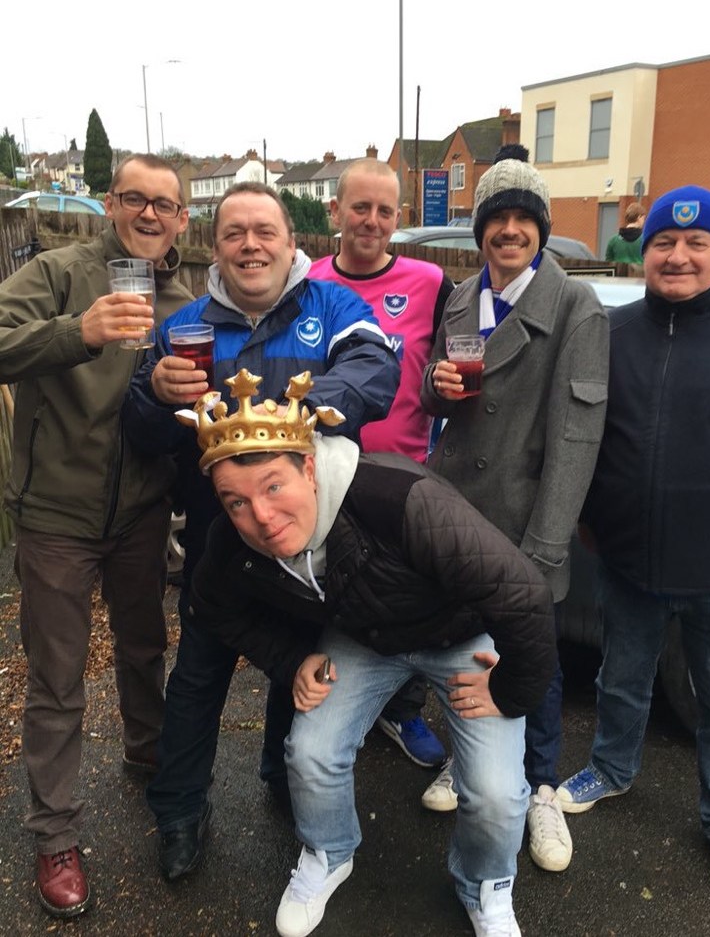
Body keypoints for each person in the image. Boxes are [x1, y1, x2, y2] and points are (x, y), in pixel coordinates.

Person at [179, 368, 557, 937]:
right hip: (365, 638)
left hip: (458, 638)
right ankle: (328, 852)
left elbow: (524, 596)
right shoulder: (233, 541)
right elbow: (211, 606)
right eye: (236, 502)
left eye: (274, 487)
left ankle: (486, 884)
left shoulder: (401, 499)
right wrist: (290, 659)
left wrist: (509, 691)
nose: (260, 517)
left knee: (496, 794)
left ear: (309, 467)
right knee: (310, 752)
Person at [122, 181, 399, 882]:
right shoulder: (184, 325)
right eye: (234, 233)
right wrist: (154, 394)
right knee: (198, 678)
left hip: (307, 544)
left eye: (264, 231)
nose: (251, 245)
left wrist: (294, 414)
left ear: (291, 241)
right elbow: (143, 431)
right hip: (218, 544)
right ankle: (180, 811)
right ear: (215, 247)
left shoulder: (331, 306)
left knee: (294, 668)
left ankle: (282, 777)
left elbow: (377, 367)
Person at [0, 154, 193, 917]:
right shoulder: (58, 272)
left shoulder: (185, 300)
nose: (149, 214)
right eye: (134, 198)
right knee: (57, 678)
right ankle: (55, 835)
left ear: (182, 220)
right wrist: (75, 333)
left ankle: (150, 759)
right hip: (56, 512)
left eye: (164, 205)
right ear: (110, 204)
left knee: (145, 648)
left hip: (142, 512)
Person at [419, 144, 609, 874]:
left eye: (523, 218)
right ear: (481, 232)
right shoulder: (462, 297)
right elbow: (436, 395)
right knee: (460, 644)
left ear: (541, 229)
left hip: (527, 517)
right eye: (495, 218)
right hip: (457, 508)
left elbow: (577, 436)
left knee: (536, 659)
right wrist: (436, 386)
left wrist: (547, 546)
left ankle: (540, 786)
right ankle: (468, 757)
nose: (508, 230)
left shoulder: (575, 306)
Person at [557, 186, 710, 902]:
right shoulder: (612, 333)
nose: (678, 256)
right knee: (620, 680)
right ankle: (611, 769)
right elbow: (585, 434)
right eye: (665, 242)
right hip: (626, 557)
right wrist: (587, 513)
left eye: (698, 244)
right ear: (646, 252)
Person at [310, 157, 454, 768]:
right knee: (329, 597)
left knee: (409, 597)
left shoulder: (432, 282)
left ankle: (402, 709)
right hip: (323, 475)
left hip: (403, 477)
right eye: (360, 207)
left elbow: (454, 363)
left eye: (385, 211)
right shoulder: (307, 280)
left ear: (400, 217)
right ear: (336, 211)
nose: (371, 221)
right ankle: (328, 703)